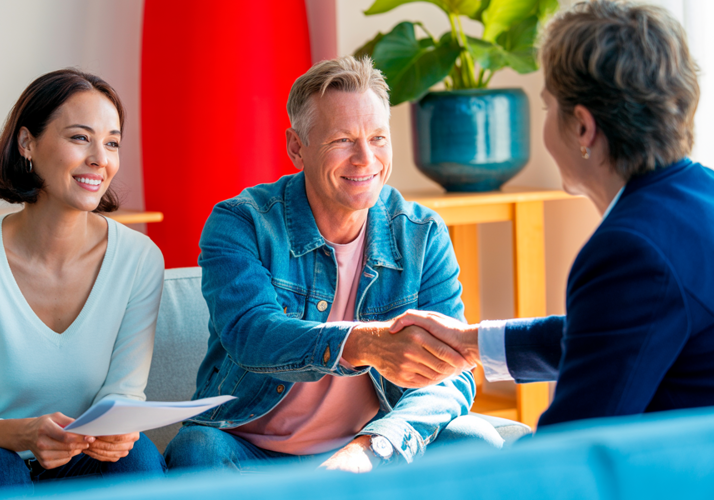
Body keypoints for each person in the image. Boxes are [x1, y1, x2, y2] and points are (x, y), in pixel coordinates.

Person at [392, 0, 714, 429]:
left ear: (584, 128)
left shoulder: (632, 249)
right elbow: (612, 335)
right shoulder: (711, 196)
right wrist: (471, 342)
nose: (547, 123)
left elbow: (571, 448)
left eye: (548, 106)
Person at [164, 56, 502, 475]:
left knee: (477, 443)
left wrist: (376, 445)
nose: (365, 159)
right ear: (296, 147)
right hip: (250, 451)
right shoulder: (242, 223)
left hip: (366, 446)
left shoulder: (422, 233)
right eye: (343, 140)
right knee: (196, 449)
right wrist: (365, 343)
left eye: (378, 138)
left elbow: (451, 375)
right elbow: (252, 334)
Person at [0, 69, 166, 496]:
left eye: (112, 142)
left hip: (71, 461)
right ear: (27, 143)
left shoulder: (139, 261)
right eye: (80, 137)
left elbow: (123, 394)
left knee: (138, 458)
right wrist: (24, 435)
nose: (101, 158)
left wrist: (119, 429)